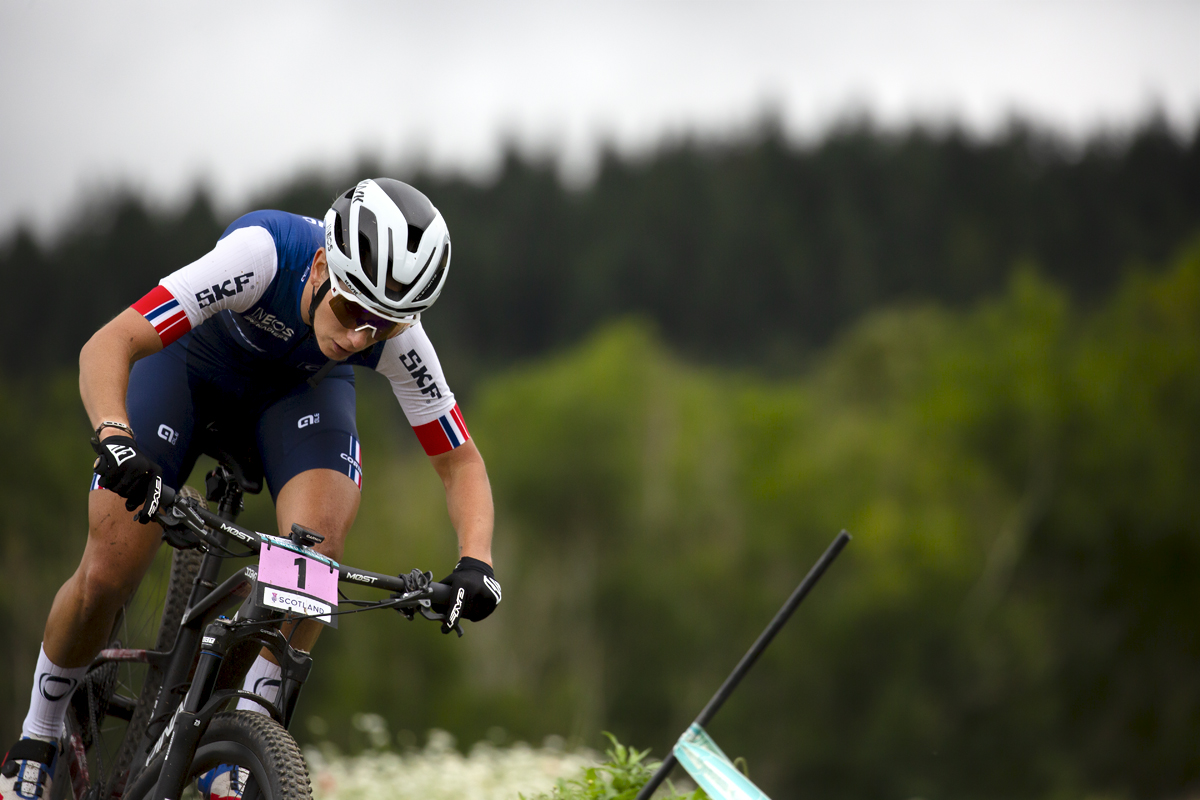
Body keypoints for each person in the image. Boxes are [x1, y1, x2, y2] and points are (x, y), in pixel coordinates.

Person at [0, 178, 501, 800]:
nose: (358, 338)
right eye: (350, 313)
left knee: (315, 558)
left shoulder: (392, 334)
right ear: (322, 265)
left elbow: (461, 462)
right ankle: (38, 733)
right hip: (186, 373)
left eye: (382, 327)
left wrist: (476, 561)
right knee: (109, 569)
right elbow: (111, 343)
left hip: (295, 400)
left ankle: (244, 724)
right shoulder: (260, 256)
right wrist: (116, 439)